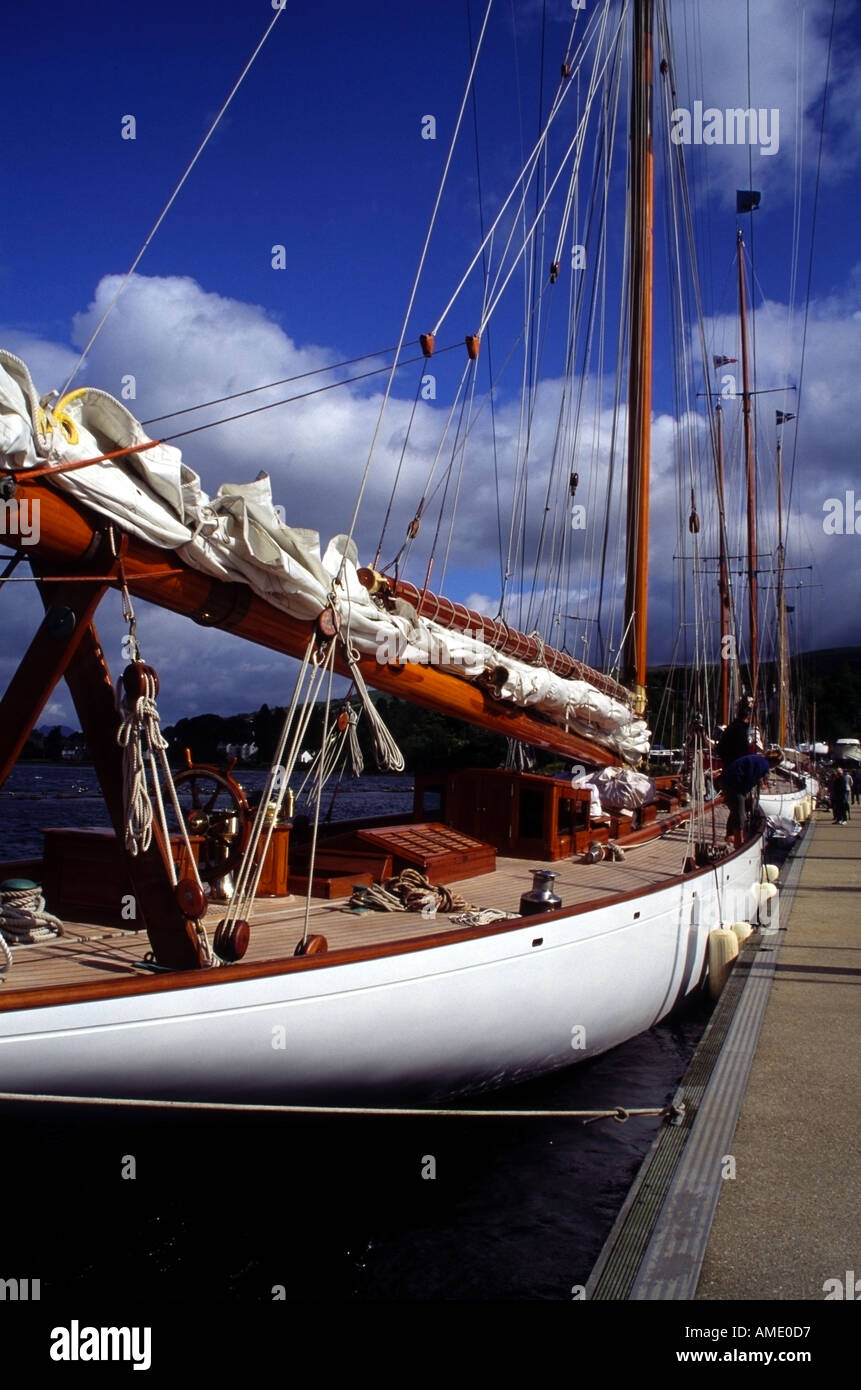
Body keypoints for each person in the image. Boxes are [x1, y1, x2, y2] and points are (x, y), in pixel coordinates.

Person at [721, 748, 781, 848]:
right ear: (775, 762)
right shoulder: (765, 765)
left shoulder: (759, 759)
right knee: (740, 814)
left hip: (727, 780)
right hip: (734, 784)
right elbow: (751, 779)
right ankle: (738, 842)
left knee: (738, 808)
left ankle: (730, 835)